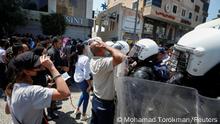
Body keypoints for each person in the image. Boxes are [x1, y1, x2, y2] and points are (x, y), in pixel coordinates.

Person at [5, 51, 70, 124]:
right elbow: (65, 93)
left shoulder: (12, 87)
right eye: (38, 66)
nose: (42, 68)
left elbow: (7, 111)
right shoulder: (32, 91)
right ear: (27, 71)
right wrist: (52, 67)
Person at [88, 37, 126, 124]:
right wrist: (105, 46)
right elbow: (120, 57)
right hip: (104, 103)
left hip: (97, 99)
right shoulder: (102, 63)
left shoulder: (93, 60)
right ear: (102, 49)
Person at [73, 43, 92, 121]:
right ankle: (83, 115)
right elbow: (86, 74)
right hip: (83, 80)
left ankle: (77, 109)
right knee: (86, 97)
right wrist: (90, 85)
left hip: (77, 79)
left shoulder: (76, 56)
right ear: (84, 49)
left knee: (83, 94)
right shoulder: (85, 58)